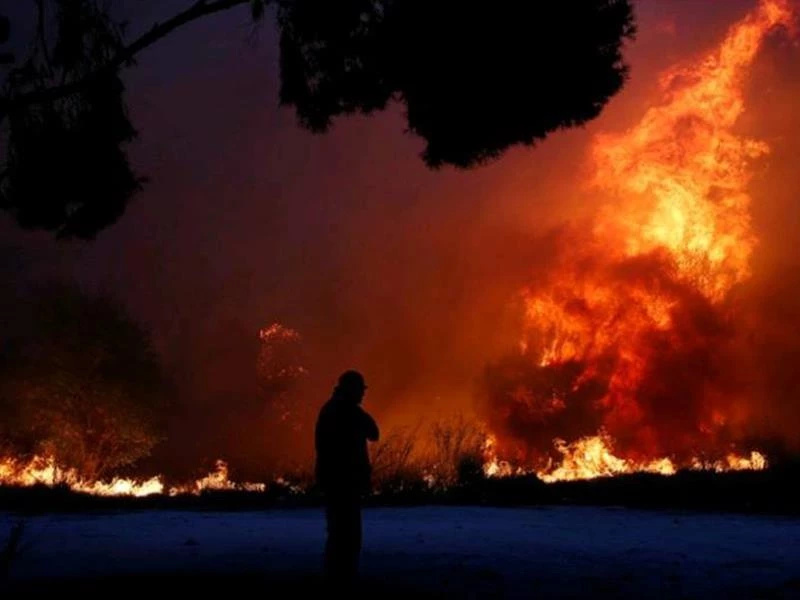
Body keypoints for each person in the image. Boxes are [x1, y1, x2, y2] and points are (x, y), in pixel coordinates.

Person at [314, 369, 379, 586]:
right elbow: (374, 432)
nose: (363, 394)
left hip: (334, 482)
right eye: (360, 390)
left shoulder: (329, 410)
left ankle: (335, 577)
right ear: (351, 390)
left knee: (338, 534)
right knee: (348, 536)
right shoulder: (349, 412)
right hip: (345, 483)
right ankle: (342, 580)